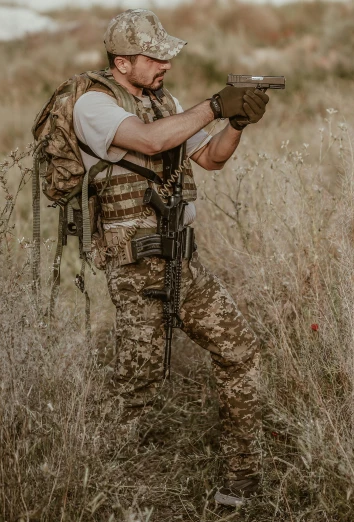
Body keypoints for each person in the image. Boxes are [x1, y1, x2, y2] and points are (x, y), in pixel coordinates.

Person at [72, 8, 270, 507]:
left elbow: (211, 158)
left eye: (166, 56)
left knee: (240, 351)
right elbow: (150, 141)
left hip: (183, 262)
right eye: (154, 57)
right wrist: (214, 104)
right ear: (121, 63)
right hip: (137, 268)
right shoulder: (93, 106)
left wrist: (237, 121)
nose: (164, 65)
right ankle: (92, 482)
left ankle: (241, 480)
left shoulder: (167, 103)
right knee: (136, 383)